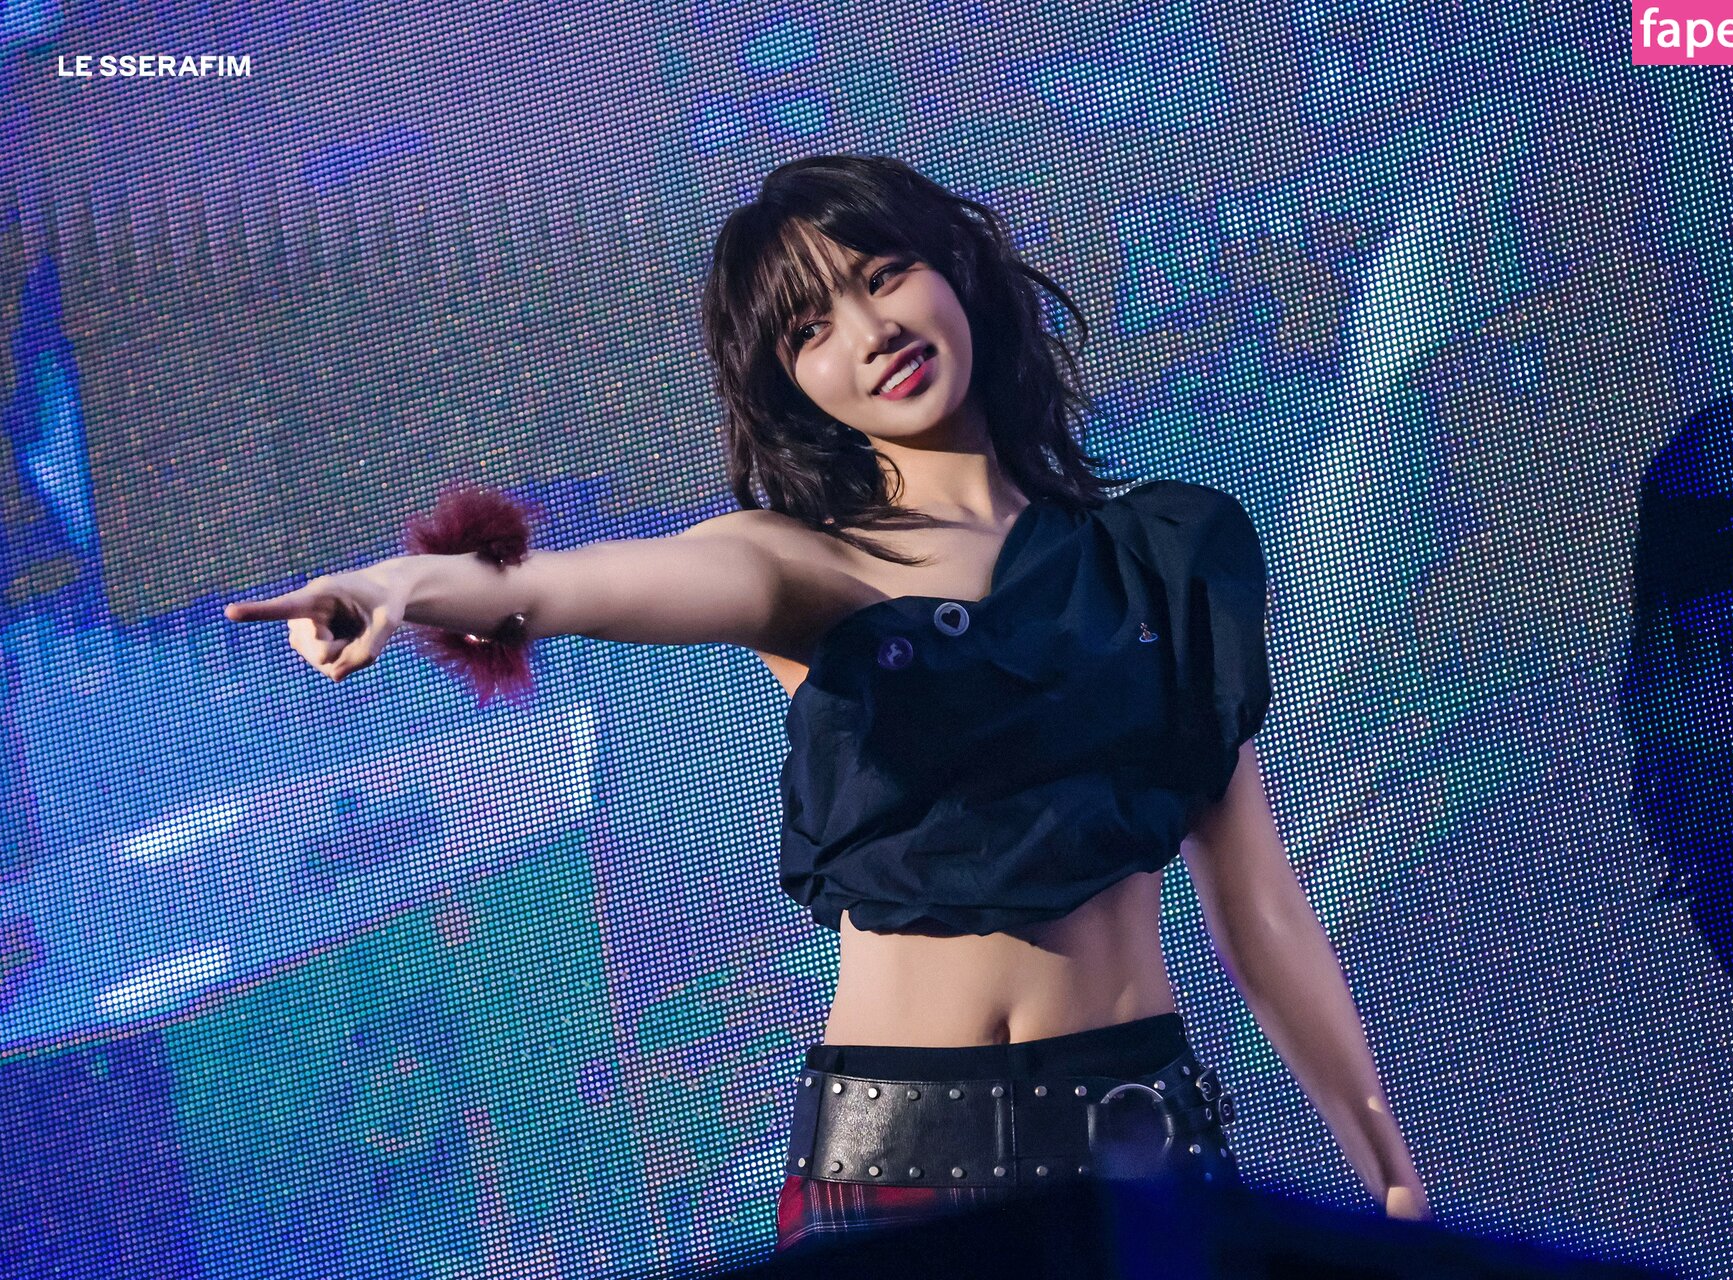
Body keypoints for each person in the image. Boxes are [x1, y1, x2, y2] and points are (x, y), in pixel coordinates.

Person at [225, 154, 1430, 1254]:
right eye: (812, 327)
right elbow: (554, 586)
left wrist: (1388, 1168)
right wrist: (398, 586)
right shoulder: (801, 565)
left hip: (1139, 1138)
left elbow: (1261, 905)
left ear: (957, 268)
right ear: (793, 382)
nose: (870, 331)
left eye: (883, 274)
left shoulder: (1164, 557)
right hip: (895, 1156)